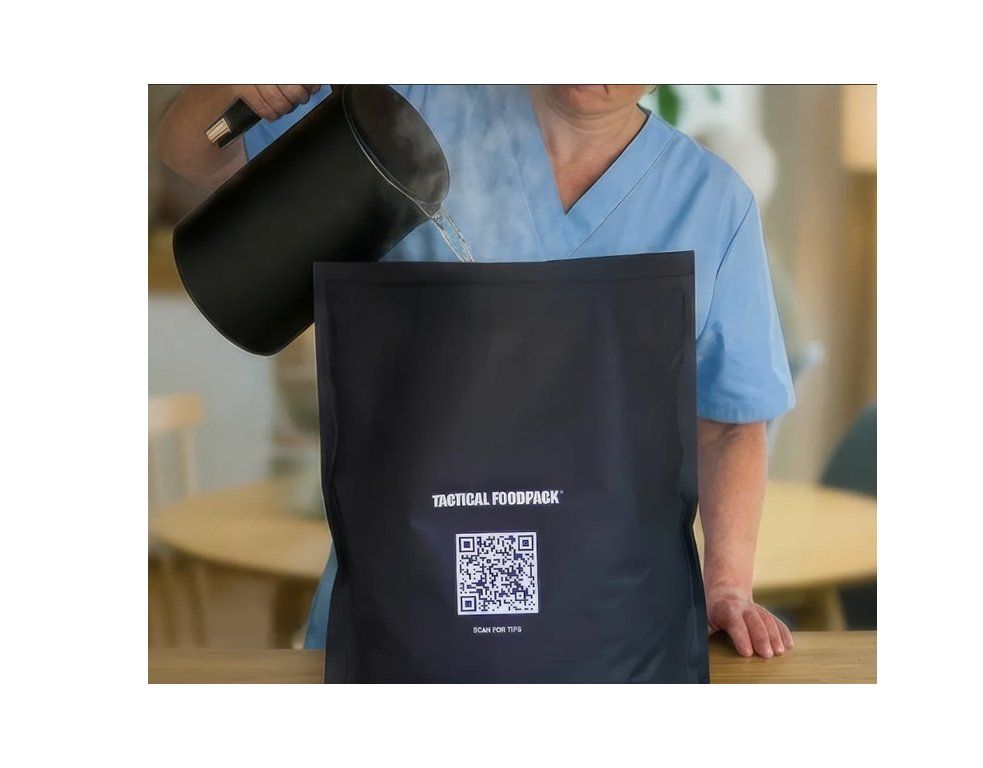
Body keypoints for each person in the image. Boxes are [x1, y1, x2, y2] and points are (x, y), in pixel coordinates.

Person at [158, 84, 796, 658]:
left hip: (610, 633)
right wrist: (238, 82)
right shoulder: (405, 109)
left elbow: (730, 423)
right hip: (401, 618)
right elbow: (194, 153)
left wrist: (728, 586)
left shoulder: (711, 202)